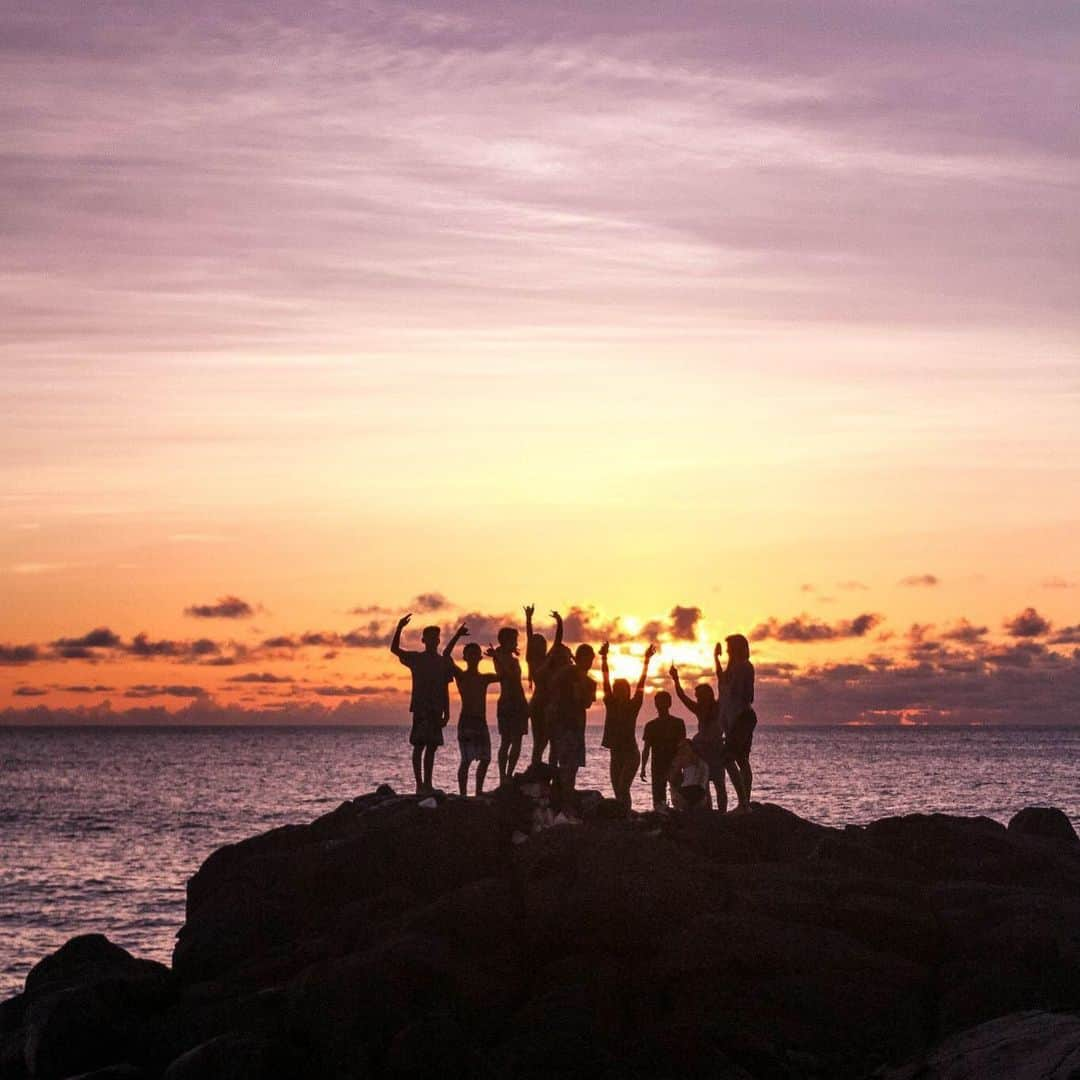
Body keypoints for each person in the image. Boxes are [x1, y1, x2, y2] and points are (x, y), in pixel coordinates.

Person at [390, 613, 465, 793]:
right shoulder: (416, 658)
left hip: (436, 710)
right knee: (419, 746)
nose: (433, 640)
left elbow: (446, 689)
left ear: (438, 641)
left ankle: (428, 784)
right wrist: (399, 627)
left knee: (431, 747)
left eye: (436, 637)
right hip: (421, 709)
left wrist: (447, 712)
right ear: (424, 640)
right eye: (430, 637)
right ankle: (419, 784)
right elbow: (395, 649)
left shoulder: (442, 663)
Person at [600, 642, 656, 810]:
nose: (619, 692)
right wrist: (603, 657)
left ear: (627, 692)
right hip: (615, 754)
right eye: (617, 689)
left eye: (622, 690)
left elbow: (641, 683)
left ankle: (628, 815)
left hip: (631, 753)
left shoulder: (633, 705)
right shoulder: (610, 703)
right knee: (618, 791)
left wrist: (646, 661)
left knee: (623, 788)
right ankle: (623, 818)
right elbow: (605, 680)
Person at [670, 663, 727, 811]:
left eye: (700, 696)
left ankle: (722, 813)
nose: (698, 699)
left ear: (708, 695)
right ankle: (708, 811)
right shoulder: (699, 709)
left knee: (720, 784)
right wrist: (675, 679)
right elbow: (682, 696)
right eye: (697, 697)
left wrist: (716, 660)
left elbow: (723, 686)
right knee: (705, 784)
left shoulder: (718, 707)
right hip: (703, 751)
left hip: (716, 749)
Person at [449, 641, 499, 796]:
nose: (473, 656)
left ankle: (478, 791)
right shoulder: (461, 676)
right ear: (465, 657)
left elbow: (502, 675)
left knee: (485, 758)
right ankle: (463, 793)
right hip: (467, 721)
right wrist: (456, 636)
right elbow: (446, 655)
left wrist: (496, 657)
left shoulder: (483, 678)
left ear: (480, 658)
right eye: (470, 654)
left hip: (480, 722)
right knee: (466, 760)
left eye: (476, 653)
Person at [549, 643, 597, 799]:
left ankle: (567, 797)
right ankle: (561, 798)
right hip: (563, 725)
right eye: (586, 659)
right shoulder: (566, 673)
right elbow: (553, 686)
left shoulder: (590, 682)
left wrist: (581, 688)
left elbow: (588, 703)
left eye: (590, 660)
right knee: (563, 764)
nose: (588, 663)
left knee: (573, 766)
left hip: (577, 726)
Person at [718, 633, 757, 811]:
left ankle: (744, 802)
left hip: (742, 718)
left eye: (729, 649)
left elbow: (747, 695)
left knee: (728, 758)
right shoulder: (734, 668)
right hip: (735, 720)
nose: (727, 652)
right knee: (741, 760)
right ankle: (744, 802)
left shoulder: (745, 667)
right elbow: (723, 681)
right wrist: (715, 659)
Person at [488, 626, 530, 784]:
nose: (515, 642)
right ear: (505, 641)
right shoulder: (498, 657)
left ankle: (509, 774)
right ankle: (502, 776)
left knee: (517, 741)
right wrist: (497, 657)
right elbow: (506, 675)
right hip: (507, 702)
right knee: (506, 741)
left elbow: (516, 680)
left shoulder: (512, 659)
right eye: (513, 640)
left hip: (519, 701)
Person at [524, 606, 563, 766]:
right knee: (539, 741)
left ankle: (552, 770)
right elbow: (529, 636)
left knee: (553, 740)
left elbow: (558, 640)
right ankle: (536, 768)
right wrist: (528, 619)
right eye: (537, 643)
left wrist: (559, 621)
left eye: (542, 643)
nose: (541, 645)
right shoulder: (532, 661)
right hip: (538, 704)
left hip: (551, 704)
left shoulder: (549, 658)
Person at [640, 691, 686, 810]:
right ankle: (663, 820)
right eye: (659, 701)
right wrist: (643, 767)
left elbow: (683, 747)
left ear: (669, 703)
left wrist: (682, 764)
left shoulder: (678, 723)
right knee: (659, 799)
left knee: (678, 798)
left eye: (663, 701)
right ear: (655, 704)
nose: (661, 704)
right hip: (658, 766)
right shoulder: (650, 725)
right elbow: (646, 749)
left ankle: (678, 820)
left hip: (674, 764)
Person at [668, 739, 710, 810]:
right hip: (702, 796)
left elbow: (671, 778)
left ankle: (679, 807)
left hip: (687, 793)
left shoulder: (683, 759)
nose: (680, 749)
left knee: (672, 786)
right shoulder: (703, 761)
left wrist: (674, 763)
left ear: (690, 748)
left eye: (683, 747)